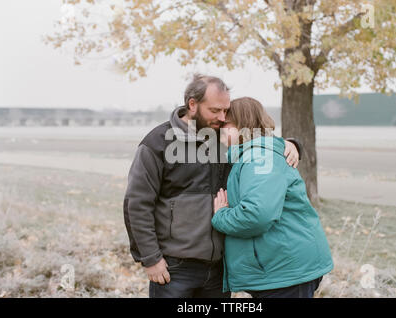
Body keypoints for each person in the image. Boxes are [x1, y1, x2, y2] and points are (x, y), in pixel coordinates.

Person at [123, 75, 302, 298]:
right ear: (192, 104)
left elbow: (263, 141)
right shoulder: (158, 142)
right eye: (215, 110)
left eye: (225, 110)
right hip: (174, 267)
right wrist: (150, 258)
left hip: (219, 268)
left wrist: (291, 144)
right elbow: (137, 204)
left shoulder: (225, 135)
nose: (222, 117)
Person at [212, 97, 334, 298]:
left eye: (225, 124)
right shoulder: (251, 155)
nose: (219, 130)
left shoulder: (259, 158)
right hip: (281, 267)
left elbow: (257, 215)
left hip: (287, 271)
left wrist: (221, 216)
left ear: (243, 124)